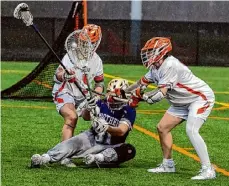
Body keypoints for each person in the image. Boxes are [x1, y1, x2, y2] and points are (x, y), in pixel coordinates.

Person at [124, 37, 216, 180]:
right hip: (181, 102)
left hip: (199, 98)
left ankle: (208, 169)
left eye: (151, 52)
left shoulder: (170, 65)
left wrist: (143, 97)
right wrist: (124, 92)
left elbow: (160, 95)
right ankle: (168, 164)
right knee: (162, 127)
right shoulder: (155, 67)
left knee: (191, 130)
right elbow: (140, 84)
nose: (148, 55)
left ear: (161, 52)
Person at [31, 79, 136, 168]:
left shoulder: (129, 110)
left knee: (129, 150)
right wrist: (88, 108)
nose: (113, 96)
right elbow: (86, 117)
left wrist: (106, 128)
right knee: (72, 142)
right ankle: (45, 158)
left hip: (111, 145)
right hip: (92, 138)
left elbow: (122, 131)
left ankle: (97, 158)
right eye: (112, 93)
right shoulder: (101, 103)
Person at [52, 24, 104, 167]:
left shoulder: (97, 61)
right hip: (65, 90)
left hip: (84, 94)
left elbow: (100, 84)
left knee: (94, 118)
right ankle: (64, 155)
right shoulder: (70, 55)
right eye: (82, 41)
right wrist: (65, 76)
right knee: (72, 117)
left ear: (96, 43)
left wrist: (96, 96)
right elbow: (57, 76)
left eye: (89, 42)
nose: (84, 44)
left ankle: (98, 152)